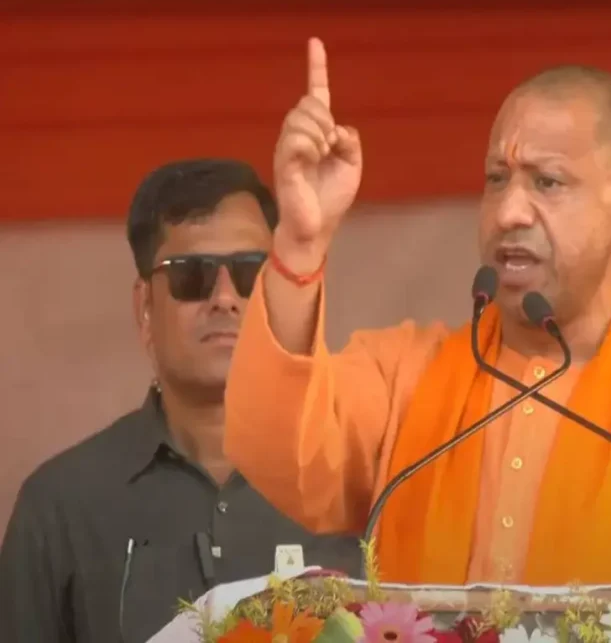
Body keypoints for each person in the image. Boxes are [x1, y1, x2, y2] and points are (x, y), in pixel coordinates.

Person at [224, 38, 611, 587]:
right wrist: (300, 243)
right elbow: (281, 456)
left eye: (548, 182)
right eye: (497, 179)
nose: (508, 211)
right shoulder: (404, 377)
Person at [0, 159, 361, 643]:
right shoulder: (60, 507)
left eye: (250, 273)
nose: (225, 298)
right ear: (145, 309)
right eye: (192, 276)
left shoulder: (352, 487)